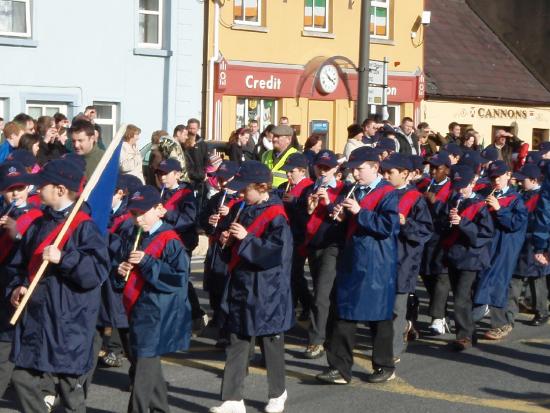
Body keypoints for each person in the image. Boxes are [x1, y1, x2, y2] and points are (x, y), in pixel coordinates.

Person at [6, 158, 109, 412]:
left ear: (60, 190)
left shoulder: (84, 227)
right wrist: (18, 287)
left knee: (68, 391)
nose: (37, 189)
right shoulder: (39, 224)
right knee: (22, 378)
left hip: (68, 322)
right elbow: (20, 265)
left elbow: (96, 272)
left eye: (43, 185)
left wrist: (65, 258)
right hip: (37, 318)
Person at [209, 161, 293, 413]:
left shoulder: (277, 215)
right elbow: (239, 244)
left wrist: (245, 239)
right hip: (242, 283)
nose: (241, 194)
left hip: (267, 287)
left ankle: (278, 392)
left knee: (270, 340)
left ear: (262, 186)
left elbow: (275, 254)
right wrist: (227, 240)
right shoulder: (244, 208)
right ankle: (232, 399)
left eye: (245, 189)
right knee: (237, 339)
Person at [316, 146, 399, 385]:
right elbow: (345, 226)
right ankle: (339, 368)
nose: (355, 174)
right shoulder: (351, 189)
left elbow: (388, 227)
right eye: (353, 169)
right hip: (352, 260)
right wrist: (339, 216)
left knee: (379, 317)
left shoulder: (388, 193)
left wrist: (360, 212)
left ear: (375, 167)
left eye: (360, 169)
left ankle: (384, 365)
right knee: (343, 314)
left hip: (377, 263)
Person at [115, 185, 191, 412]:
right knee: (147, 367)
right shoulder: (131, 234)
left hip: (159, 313)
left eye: (142, 213)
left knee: (143, 373)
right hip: (137, 309)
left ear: (159, 209)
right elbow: (121, 271)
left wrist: (148, 263)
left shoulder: (171, 240)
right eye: (134, 214)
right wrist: (120, 270)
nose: (138, 219)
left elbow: (179, 278)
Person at [380, 153, 432, 360]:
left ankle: (393, 351)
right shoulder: (382, 193)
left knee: (396, 308)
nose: (385, 176)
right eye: (383, 172)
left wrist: (406, 224)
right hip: (382, 258)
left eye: (390, 172)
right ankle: (400, 330)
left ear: (405, 174)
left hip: (404, 260)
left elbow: (425, 231)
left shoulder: (415, 199)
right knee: (382, 307)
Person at [0, 161, 42, 398]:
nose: (15, 193)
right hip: (3, 282)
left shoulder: (35, 216)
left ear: (28, 188)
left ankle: (41, 387)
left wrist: (16, 232)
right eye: (9, 189)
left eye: (19, 188)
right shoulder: (3, 212)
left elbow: (32, 248)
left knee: (11, 341)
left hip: (20, 283)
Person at [474, 160, 528, 340]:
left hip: (506, 246)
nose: (496, 180)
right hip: (488, 244)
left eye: (500, 176)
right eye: (493, 177)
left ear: (508, 176)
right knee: (483, 279)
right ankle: (474, 315)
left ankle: (502, 323)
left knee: (499, 284)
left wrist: (499, 209)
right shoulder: (485, 194)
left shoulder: (516, 199)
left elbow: (515, 224)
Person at [299, 150, 345, 359]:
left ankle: (316, 340)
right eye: (320, 167)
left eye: (328, 167)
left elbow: (344, 219)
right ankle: (330, 331)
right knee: (323, 290)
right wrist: (308, 209)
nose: (323, 171)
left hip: (333, 245)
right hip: (313, 244)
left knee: (321, 294)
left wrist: (328, 203)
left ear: (336, 169)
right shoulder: (309, 189)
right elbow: (299, 218)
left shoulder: (345, 190)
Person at [443, 166, 494, 350]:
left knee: (461, 298)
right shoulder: (454, 200)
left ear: (472, 183)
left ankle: (463, 335)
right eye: (457, 186)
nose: (460, 190)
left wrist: (463, 223)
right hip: (454, 255)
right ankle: (470, 332)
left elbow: (484, 234)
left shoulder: (480, 206)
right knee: (459, 296)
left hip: (471, 257)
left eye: (464, 186)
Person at [199, 161, 240, 347]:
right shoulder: (216, 199)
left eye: (226, 179)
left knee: (226, 288)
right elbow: (204, 223)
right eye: (220, 179)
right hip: (215, 247)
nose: (223, 183)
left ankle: (226, 328)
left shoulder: (240, 199)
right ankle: (217, 318)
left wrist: (230, 213)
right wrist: (209, 221)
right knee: (214, 285)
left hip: (231, 250)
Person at [505, 164, 549, 326]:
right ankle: (508, 317)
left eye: (524, 180)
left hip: (534, 242)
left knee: (537, 280)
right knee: (515, 280)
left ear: (534, 180)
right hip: (520, 243)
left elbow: (540, 220)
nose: (520, 182)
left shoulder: (540, 196)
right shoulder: (522, 194)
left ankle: (542, 311)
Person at [419, 152, 453, 335]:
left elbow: (454, 211)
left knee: (441, 277)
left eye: (437, 168)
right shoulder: (424, 185)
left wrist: (437, 203)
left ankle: (437, 318)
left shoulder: (452, 188)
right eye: (430, 168)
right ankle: (442, 313)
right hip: (426, 238)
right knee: (428, 275)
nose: (432, 172)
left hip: (444, 238)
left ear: (446, 169)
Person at [280, 153, 314, 321]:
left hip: (299, 236)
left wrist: (295, 203)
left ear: (301, 171)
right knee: (289, 273)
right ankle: (301, 304)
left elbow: (308, 215)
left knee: (294, 273)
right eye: (287, 171)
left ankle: (302, 304)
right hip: (285, 235)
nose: (288, 175)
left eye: (291, 171)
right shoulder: (285, 186)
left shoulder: (308, 187)